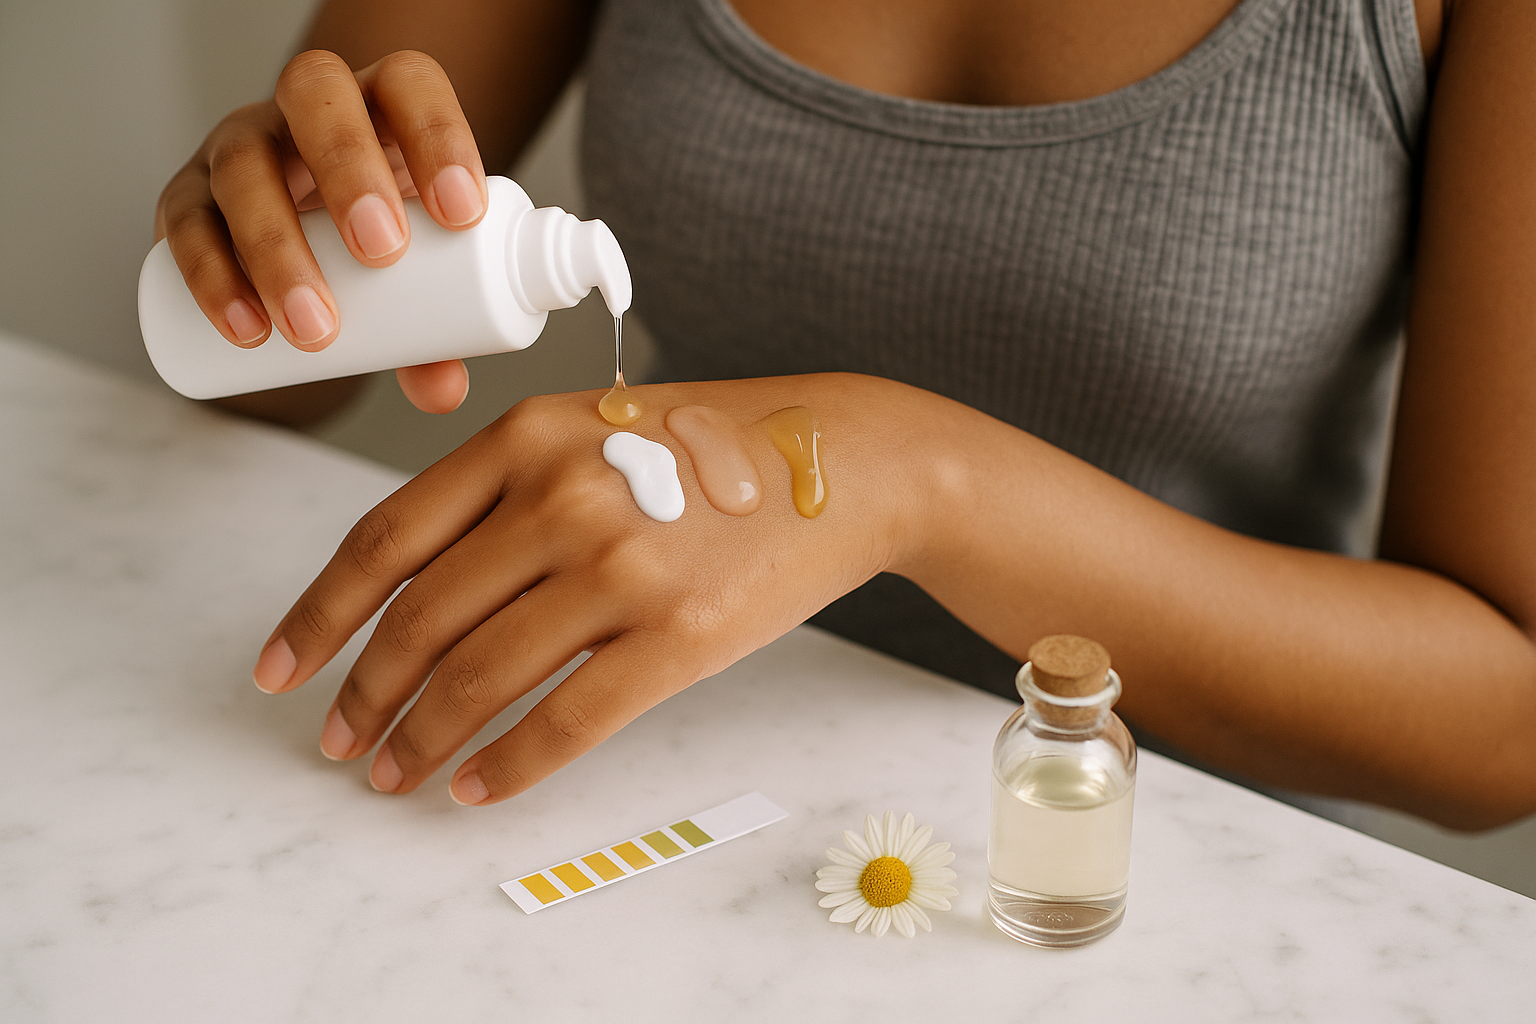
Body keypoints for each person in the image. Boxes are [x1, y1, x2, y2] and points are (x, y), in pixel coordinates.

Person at [155, 0, 1535, 828]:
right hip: (652, 795)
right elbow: (289, 369)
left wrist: (918, 479)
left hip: (1134, 868)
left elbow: (1502, 721)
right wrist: (268, 239)